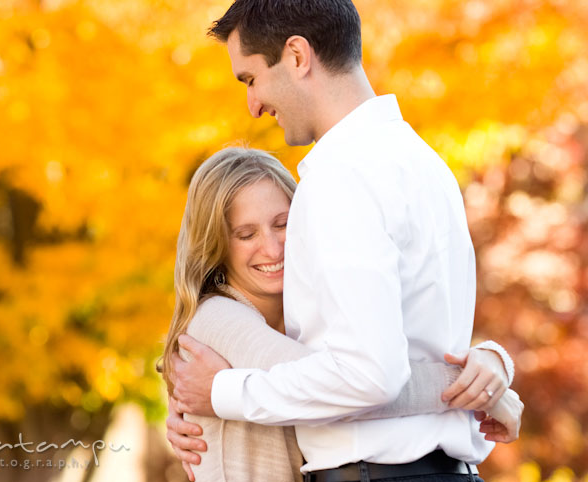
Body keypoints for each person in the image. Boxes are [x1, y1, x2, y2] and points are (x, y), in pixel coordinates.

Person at [167, 0, 524, 481]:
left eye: (250, 78)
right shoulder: (426, 165)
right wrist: (485, 375)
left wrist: (222, 393)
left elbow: (370, 376)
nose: (252, 105)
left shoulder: (339, 177)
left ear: (297, 55)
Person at [162, 147, 522, 482]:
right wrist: (483, 387)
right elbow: (354, 388)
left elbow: (378, 363)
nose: (272, 247)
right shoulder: (217, 319)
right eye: (245, 234)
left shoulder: (301, 318)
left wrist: (490, 363)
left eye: (283, 224)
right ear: (216, 243)